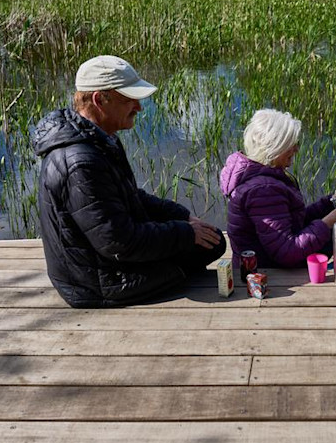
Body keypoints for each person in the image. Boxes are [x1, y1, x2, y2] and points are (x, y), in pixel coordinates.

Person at [33, 55, 226, 308]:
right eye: (129, 100)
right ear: (100, 99)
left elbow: (130, 195)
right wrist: (184, 234)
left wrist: (183, 217)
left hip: (102, 262)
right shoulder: (80, 161)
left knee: (210, 240)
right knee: (210, 245)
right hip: (95, 283)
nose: (139, 107)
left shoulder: (98, 138)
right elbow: (118, 242)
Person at [220, 109, 336, 268]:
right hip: (268, 272)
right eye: (291, 144)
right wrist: (328, 222)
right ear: (274, 147)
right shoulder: (263, 190)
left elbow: (290, 220)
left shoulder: (260, 177)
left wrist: (327, 204)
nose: (296, 149)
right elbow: (287, 252)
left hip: (266, 260)